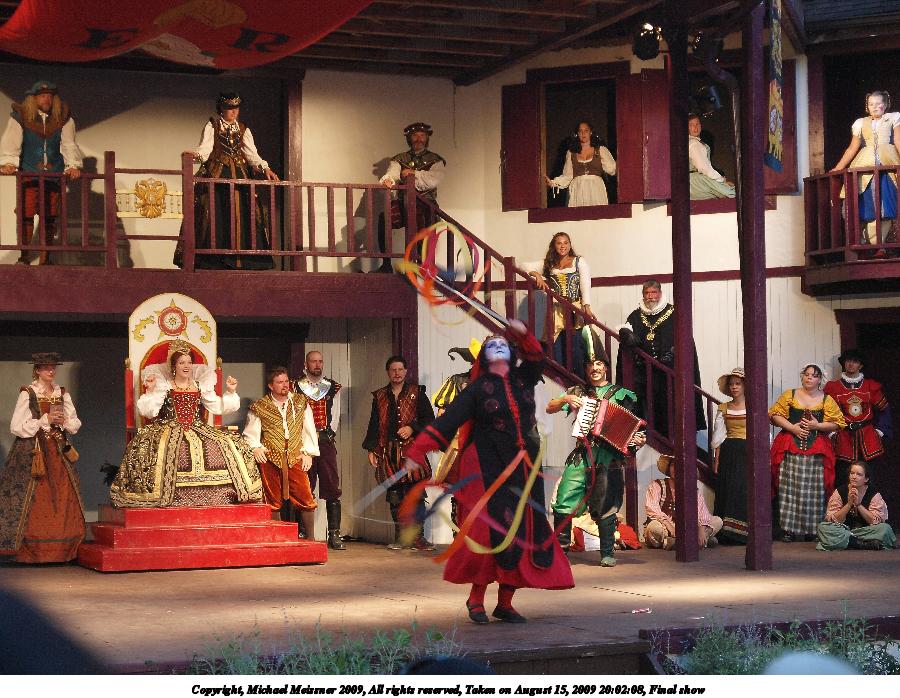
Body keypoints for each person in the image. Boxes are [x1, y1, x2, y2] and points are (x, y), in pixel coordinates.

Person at [404, 321, 574, 624]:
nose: (497, 346)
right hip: (487, 466)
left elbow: (537, 357)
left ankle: (505, 603)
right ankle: (476, 598)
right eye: (491, 345)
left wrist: (523, 334)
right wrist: (417, 451)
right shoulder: (477, 390)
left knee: (523, 532)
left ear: (511, 352)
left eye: (502, 344)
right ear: (483, 356)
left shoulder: (524, 378)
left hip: (524, 469)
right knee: (488, 532)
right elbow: (447, 421)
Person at [110, 340, 263, 507]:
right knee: (169, 449)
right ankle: (167, 494)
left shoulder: (199, 386)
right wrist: (151, 390)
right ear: (174, 366)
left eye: (189, 362)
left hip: (197, 427)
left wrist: (231, 391)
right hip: (168, 427)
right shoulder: (165, 386)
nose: (186, 366)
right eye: (182, 362)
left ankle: (219, 494)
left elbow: (217, 406)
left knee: (230, 443)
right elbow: (149, 412)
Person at [547, 327, 646, 567]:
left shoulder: (623, 395)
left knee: (606, 503)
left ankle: (607, 553)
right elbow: (549, 407)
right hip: (582, 453)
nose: (595, 368)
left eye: (599, 364)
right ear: (586, 368)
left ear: (606, 367)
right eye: (591, 364)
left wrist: (638, 440)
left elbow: (635, 428)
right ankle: (560, 552)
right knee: (564, 496)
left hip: (608, 455)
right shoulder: (577, 392)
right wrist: (565, 399)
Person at [179, 92, 278, 270]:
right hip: (218, 174)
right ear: (221, 109)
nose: (234, 112)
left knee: (245, 212)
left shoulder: (243, 128)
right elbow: (205, 150)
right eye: (229, 108)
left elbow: (252, 154)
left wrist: (265, 168)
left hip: (240, 175)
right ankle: (215, 260)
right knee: (216, 211)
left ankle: (245, 260)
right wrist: (195, 156)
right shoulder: (213, 125)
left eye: (236, 108)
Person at [0, 353, 84, 563]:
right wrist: (43, 420)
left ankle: (63, 550)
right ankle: (32, 550)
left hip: (58, 451)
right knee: (35, 495)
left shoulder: (61, 393)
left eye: (53, 367)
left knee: (63, 494)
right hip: (34, 451)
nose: (51, 371)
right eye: (46, 367)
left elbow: (75, 424)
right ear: (37, 370)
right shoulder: (28, 393)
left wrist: (64, 421)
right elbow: (16, 427)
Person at [0, 80, 82, 265]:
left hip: (53, 175)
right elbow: (12, 141)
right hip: (29, 174)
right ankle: (25, 256)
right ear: (34, 98)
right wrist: (9, 163)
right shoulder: (21, 116)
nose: (47, 99)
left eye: (50, 96)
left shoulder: (63, 118)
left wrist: (73, 165)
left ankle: (45, 259)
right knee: (26, 214)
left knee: (49, 217)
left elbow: (68, 144)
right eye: (43, 96)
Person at [362, 355, 436, 551]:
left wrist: (413, 428)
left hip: (412, 449)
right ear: (388, 372)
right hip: (389, 451)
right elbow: (374, 425)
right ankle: (401, 538)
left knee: (416, 494)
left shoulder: (417, 393)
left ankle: (418, 538)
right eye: (393, 370)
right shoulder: (379, 396)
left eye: (400, 369)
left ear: (406, 371)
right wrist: (372, 449)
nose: (397, 373)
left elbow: (429, 419)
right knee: (395, 496)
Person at [616, 279, 706, 437]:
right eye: (647, 293)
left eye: (653, 292)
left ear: (660, 293)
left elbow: (684, 342)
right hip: (645, 378)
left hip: (670, 375)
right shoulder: (636, 316)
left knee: (671, 410)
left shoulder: (674, 314)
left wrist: (671, 356)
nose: (650, 296)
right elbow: (627, 341)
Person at [769, 363, 846, 543]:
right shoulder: (790, 395)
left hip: (816, 449)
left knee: (815, 489)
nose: (809, 377)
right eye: (807, 374)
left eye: (814, 375)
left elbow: (837, 423)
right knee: (789, 487)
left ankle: (812, 529)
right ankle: (788, 529)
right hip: (790, 446)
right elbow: (774, 415)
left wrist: (817, 425)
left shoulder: (826, 399)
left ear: (820, 380)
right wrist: (792, 428)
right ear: (802, 376)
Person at [243, 366, 319, 538]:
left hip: (295, 456)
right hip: (271, 458)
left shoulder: (300, 402)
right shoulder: (260, 406)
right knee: (272, 499)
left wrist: (308, 452)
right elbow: (250, 433)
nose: (284, 385)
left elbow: (309, 429)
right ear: (271, 385)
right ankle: (276, 538)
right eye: (279, 382)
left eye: (286, 381)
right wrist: (255, 447)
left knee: (305, 496)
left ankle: (311, 537)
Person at [830, 90, 900, 251]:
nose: (875, 107)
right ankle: (865, 240)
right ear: (867, 107)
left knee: (886, 203)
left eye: (878, 103)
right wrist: (838, 167)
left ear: (885, 105)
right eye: (871, 104)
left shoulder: (893, 118)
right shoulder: (861, 123)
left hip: (887, 163)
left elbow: (898, 140)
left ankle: (881, 245)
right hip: (865, 164)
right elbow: (852, 148)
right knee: (864, 201)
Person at [376, 122, 446, 273]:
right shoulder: (399, 159)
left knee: (424, 225)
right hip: (404, 203)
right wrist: (389, 180)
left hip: (426, 204)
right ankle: (386, 264)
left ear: (427, 138)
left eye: (422, 135)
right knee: (384, 218)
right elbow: (393, 173)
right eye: (415, 135)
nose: (418, 139)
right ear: (409, 138)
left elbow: (433, 180)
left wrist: (412, 174)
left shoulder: (436, 160)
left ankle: (422, 265)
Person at [294, 352, 346, 549]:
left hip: (325, 441)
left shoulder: (332, 387)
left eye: (320, 361)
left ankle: (334, 534)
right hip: (303, 443)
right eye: (313, 361)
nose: (317, 364)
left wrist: (328, 434)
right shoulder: (295, 386)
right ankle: (302, 531)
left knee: (331, 485)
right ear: (306, 363)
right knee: (304, 486)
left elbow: (335, 414)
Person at [523, 232, 593, 376]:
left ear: (570, 245)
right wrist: (537, 275)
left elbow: (585, 284)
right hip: (556, 311)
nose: (563, 246)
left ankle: (579, 380)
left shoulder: (579, 261)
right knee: (556, 348)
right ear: (554, 246)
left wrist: (586, 306)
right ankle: (560, 379)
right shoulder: (549, 263)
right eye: (559, 243)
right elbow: (523, 265)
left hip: (574, 309)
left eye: (566, 243)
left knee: (576, 348)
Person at [823, 349, 892, 490]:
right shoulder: (833, 387)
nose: (851, 364)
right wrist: (831, 433)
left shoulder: (870, 386)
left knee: (869, 479)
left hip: (868, 439)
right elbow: (824, 412)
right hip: (843, 439)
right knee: (843, 479)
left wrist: (879, 431)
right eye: (848, 361)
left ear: (860, 365)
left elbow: (884, 410)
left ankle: (867, 504)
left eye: (855, 361)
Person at [644, 454, 722, 550]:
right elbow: (652, 508)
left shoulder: (692, 490)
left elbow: (702, 513)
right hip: (665, 527)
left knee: (717, 521)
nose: (676, 468)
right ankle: (699, 541)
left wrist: (701, 531)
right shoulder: (657, 485)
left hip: (685, 528)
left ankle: (679, 542)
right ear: (669, 468)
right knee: (654, 528)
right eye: (673, 465)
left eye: (680, 465)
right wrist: (669, 526)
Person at [816, 461, 895, 551]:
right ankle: (861, 544)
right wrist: (849, 504)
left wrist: (858, 504)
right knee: (823, 527)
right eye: (852, 473)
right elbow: (834, 520)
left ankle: (847, 542)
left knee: (885, 529)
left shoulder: (873, 494)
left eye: (859, 474)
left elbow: (874, 521)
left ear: (866, 479)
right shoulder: (840, 491)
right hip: (843, 530)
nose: (854, 477)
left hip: (864, 531)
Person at [711, 367, 749, 544]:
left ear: (745, 386)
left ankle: (744, 532)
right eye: (732, 384)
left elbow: (762, 434)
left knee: (742, 489)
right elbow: (719, 437)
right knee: (728, 489)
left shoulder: (754, 407)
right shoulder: (723, 408)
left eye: (738, 383)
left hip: (747, 452)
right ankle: (726, 533)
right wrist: (717, 460)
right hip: (729, 452)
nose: (734, 387)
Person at [544, 121, 616, 206]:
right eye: (580, 131)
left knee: (596, 212)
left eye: (586, 130)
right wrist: (553, 182)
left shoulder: (600, 150)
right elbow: (568, 175)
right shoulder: (571, 153)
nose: (583, 133)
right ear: (577, 134)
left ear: (590, 132)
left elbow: (612, 169)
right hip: (577, 189)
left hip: (596, 188)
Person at [688, 114, 735, 200]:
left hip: (693, 183)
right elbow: (704, 168)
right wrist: (722, 180)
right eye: (691, 125)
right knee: (732, 194)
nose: (695, 127)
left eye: (697, 124)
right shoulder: (694, 144)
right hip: (697, 182)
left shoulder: (692, 142)